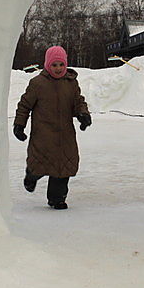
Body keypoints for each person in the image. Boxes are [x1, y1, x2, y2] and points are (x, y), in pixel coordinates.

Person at [13, 45, 91, 210]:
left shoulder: (71, 83)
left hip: (65, 135)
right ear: (48, 65)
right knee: (40, 163)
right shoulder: (38, 83)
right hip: (43, 135)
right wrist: (19, 124)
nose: (58, 68)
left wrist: (83, 115)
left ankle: (57, 198)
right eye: (54, 65)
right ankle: (31, 176)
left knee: (63, 167)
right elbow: (24, 105)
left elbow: (78, 102)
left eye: (61, 65)